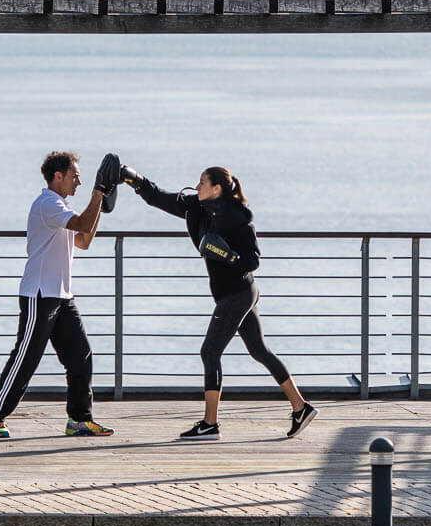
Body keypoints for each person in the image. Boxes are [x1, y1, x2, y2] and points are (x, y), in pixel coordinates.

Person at [122, 162, 317, 440]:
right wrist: (132, 178)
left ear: (216, 188)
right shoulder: (196, 207)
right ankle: (300, 407)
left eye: (202, 182)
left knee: (209, 352)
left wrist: (228, 256)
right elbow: (158, 196)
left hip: (239, 293)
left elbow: (253, 260)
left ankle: (210, 424)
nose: (197, 185)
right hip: (232, 294)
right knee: (259, 350)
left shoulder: (238, 216)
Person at [0, 150, 119, 439]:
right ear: (58, 176)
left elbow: (83, 240)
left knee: (81, 357)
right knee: (26, 358)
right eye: (75, 177)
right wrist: (98, 192)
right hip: (40, 294)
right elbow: (82, 225)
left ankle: (80, 420)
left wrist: (102, 202)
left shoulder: (63, 207)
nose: (78, 183)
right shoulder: (48, 204)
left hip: (62, 296)